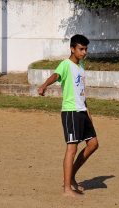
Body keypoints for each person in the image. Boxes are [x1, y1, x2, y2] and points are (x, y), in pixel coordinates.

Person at [38, 34, 99, 197]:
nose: (84, 52)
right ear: (72, 49)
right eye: (81, 49)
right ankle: (66, 188)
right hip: (70, 112)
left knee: (93, 144)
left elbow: (81, 92)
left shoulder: (82, 66)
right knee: (72, 148)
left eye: (86, 49)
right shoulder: (65, 64)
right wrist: (44, 85)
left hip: (82, 111)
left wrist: (88, 111)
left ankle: (71, 175)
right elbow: (55, 76)